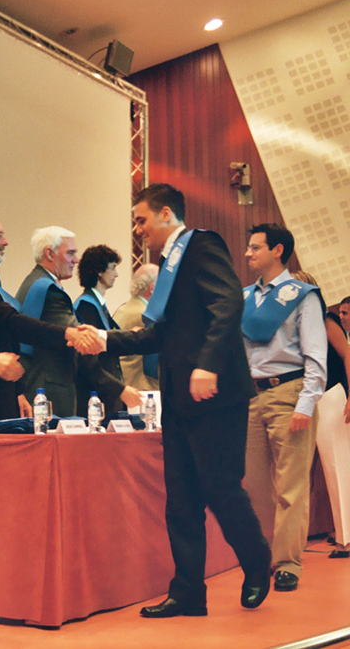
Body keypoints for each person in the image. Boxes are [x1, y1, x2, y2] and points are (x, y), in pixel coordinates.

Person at [105, 183, 271, 617]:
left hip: (215, 394)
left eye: (141, 219)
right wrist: (104, 340)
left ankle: (257, 561)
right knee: (180, 499)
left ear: (165, 214)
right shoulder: (169, 263)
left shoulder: (200, 245)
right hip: (179, 399)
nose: (138, 229)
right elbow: (160, 335)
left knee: (220, 488)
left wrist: (208, 364)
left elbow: (227, 303)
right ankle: (188, 593)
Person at [241, 224, 327, 592]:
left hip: (289, 391)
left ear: (278, 250)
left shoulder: (303, 296)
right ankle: (262, 558)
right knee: (256, 486)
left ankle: (289, 563)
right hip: (250, 396)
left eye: (255, 247)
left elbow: (316, 355)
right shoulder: (244, 297)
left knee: (291, 484)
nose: (248, 253)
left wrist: (306, 403)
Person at [0, 213, 101, 420]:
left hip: (3, 389)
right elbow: (12, 323)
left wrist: (17, 391)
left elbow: (2, 336)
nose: (6, 242)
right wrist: (69, 333)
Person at [15, 226, 139, 417]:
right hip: (50, 392)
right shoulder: (50, 291)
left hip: (39, 386)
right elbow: (80, 342)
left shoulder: (34, 282)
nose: (76, 260)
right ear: (50, 253)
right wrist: (119, 388)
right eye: (70, 253)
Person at [291, 271, 350, 559]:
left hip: (331, 396)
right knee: (299, 471)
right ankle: (296, 537)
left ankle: (345, 539)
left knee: (338, 466)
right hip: (303, 399)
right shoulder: (289, 325)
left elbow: (347, 354)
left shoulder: (327, 320)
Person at [74, 244, 126, 413]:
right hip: (95, 397)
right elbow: (89, 360)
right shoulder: (86, 307)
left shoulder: (98, 305)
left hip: (105, 394)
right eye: (113, 268)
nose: (116, 274)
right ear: (99, 271)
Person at [112, 264, 160, 391]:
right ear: (152, 288)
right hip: (143, 388)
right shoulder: (148, 316)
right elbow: (152, 365)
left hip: (120, 383)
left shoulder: (121, 309)